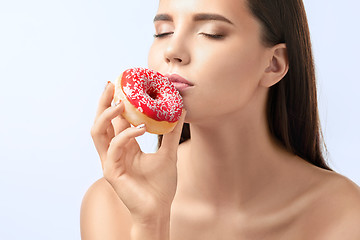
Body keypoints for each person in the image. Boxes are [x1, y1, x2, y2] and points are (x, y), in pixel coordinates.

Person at [80, 0, 360, 239]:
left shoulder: (344, 214)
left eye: (211, 33)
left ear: (273, 63)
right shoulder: (111, 204)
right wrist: (150, 223)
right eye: (163, 32)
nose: (172, 51)